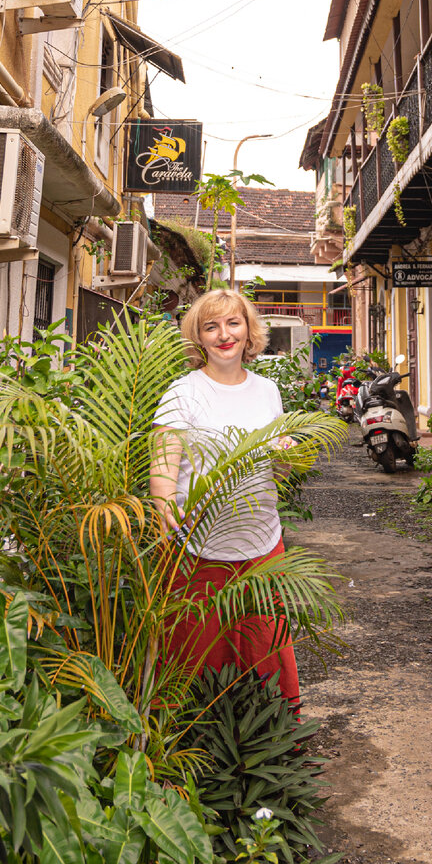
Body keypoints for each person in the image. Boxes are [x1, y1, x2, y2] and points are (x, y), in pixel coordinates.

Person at [150, 288, 299, 703]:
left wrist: (287, 455)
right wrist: (167, 520)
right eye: (211, 327)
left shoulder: (268, 390)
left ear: (249, 331)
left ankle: (266, 740)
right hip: (199, 550)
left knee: (263, 645)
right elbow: (162, 471)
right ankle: (198, 747)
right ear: (198, 338)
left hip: (261, 543)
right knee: (195, 652)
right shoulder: (183, 392)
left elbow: (280, 469)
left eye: (233, 323)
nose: (224, 334)